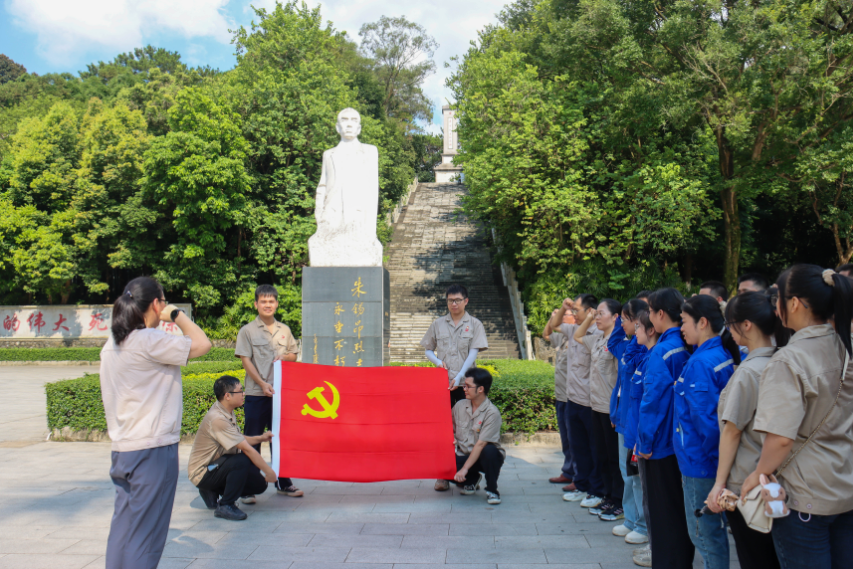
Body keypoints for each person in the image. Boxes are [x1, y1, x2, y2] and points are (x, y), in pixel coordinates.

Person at [744, 265, 853, 568]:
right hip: (845, 486)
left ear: (793, 303)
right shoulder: (846, 346)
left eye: (777, 298)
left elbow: (779, 439)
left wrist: (758, 474)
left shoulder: (789, 359)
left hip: (804, 497)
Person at [100, 277, 212, 569]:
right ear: (155, 304)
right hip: (153, 450)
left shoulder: (112, 343)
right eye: (163, 301)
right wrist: (176, 315)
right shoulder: (149, 340)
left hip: (123, 449)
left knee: (123, 530)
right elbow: (202, 343)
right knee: (146, 537)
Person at [706, 292, 784, 569]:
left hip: (747, 482)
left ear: (747, 325)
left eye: (730, 323)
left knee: (754, 557)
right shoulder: (782, 361)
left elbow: (732, 431)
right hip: (776, 479)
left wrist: (719, 484)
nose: (728, 330)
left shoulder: (749, 372)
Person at [676, 295, 742, 569]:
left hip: (700, 464)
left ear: (702, 322)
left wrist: (718, 472)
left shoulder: (702, 362)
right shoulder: (718, 354)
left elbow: (707, 423)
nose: (681, 328)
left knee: (704, 534)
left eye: (684, 321)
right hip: (708, 461)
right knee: (711, 532)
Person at [636, 288, 693, 569]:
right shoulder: (685, 346)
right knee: (677, 508)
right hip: (679, 441)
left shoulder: (661, 350)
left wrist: (643, 444)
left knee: (661, 513)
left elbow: (652, 402)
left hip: (659, 445)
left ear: (659, 314)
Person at [235, 284, 303, 502]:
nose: (267, 305)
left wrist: (285, 358)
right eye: (263, 301)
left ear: (276, 304)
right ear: (256, 304)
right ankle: (248, 487)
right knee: (253, 440)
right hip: (256, 394)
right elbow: (246, 360)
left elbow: (293, 353)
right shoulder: (247, 331)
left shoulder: (285, 330)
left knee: (280, 439)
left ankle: (284, 482)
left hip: (281, 395)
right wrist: (262, 384)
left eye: (271, 301)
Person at [422, 283, 489, 492]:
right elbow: (428, 349)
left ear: (466, 301)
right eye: (450, 300)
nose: (454, 304)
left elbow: (473, 353)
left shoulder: (475, 324)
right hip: (442, 385)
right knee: (443, 429)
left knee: (468, 429)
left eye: (458, 300)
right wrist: (437, 362)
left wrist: (460, 375)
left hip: (466, 386)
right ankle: (442, 475)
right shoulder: (438, 324)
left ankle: (470, 474)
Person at [188, 375, 278, 521]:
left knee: (259, 485)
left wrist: (261, 438)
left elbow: (238, 438)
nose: (244, 394)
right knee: (242, 460)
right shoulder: (218, 419)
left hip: (215, 466)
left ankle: (212, 489)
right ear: (227, 396)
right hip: (203, 472)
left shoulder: (226, 410)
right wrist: (269, 471)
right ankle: (225, 505)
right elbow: (246, 448)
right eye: (240, 391)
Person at [553, 295, 606, 506]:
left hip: (589, 402)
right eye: (573, 310)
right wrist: (563, 307)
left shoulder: (598, 334)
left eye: (577, 310)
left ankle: (595, 489)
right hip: (571, 398)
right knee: (578, 447)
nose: (573, 314)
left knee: (593, 449)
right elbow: (554, 325)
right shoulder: (573, 329)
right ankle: (582, 485)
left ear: (590, 311)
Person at [574, 298, 624, 520]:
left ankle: (619, 501)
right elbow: (578, 336)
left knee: (614, 458)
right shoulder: (596, 339)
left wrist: (618, 410)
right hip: (595, 406)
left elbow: (622, 379)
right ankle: (607, 495)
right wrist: (588, 317)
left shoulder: (618, 342)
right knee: (602, 456)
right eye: (597, 313)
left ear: (616, 317)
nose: (597, 317)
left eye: (602, 313)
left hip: (610, 409)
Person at [610, 299, 649, 543]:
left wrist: (637, 324)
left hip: (635, 422)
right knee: (627, 474)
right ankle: (631, 519)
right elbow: (612, 342)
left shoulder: (644, 349)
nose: (621, 324)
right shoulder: (626, 346)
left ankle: (643, 525)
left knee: (636, 476)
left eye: (625, 319)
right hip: (624, 418)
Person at [627, 309, 657, 566]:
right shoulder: (645, 356)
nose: (634, 331)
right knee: (646, 493)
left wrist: (643, 441)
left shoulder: (657, 358)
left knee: (655, 498)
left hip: (651, 442)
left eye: (638, 326)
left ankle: (657, 545)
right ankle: (654, 543)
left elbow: (652, 405)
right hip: (639, 435)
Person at [452, 367, 505, 505]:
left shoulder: (492, 413)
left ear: (480, 389)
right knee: (442, 463)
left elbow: (481, 444)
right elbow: (449, 429)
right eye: (464, 385)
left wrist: (464, 469)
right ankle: (471, 480)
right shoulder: (459, 406)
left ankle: (492, 490)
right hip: (464, 454)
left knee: (490, 451)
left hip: (483, 458)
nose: (464, 389)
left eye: (468, 386)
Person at [543, 308, 576, 485]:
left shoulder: (578, 336)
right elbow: (546, 333)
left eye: (565, 315)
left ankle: (578, 475)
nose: (562, 318)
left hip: (573, 396)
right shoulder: (563, 338)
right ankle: (568, 470)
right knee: (565, 437)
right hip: (561, 396)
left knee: (574, 438)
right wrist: (552, 316)